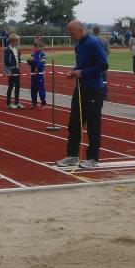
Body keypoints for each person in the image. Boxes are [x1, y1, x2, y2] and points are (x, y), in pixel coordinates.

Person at [56, 21, 108, 169]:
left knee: (93, 126)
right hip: (80, 89)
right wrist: (74, 71)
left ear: (80, 30)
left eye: (72, 33)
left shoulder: (94, 43)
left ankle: (93, 158)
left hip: (94, 90)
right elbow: (81, 64)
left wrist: (83, 73)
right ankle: (72, 155)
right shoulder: (78, 45)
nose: (70, 36)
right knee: (74, 123)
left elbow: (103, 65)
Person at [4, 33, 23, 109]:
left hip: (17, 70)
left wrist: (20, 63)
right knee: (11, 86)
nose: (18, 43)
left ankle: (17, 102)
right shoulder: (7, 50)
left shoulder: (17, 49)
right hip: (11, 70)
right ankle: (8, 104)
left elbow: (19, 57)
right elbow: (6, 62)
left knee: (18, 86)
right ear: (12, 42)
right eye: (17, 41)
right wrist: (14, 66)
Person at [92, 25, 111, 99]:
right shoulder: (104, 40)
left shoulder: (90, 39)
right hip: (103, 63)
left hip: (93, 63)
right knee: (103, 79)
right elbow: (108, 51)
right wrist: (103, 56)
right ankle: (104, 95)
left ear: (93, 31)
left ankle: (94, 95)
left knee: (92, 79)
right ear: (99, 31)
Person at [27, 41, 48, 108]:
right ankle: (34, 103)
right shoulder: (33, 54)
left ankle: (43, 103)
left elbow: (41, 64)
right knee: (33, 90)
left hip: (39, 75)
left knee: (41, 89)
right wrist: (29, 61)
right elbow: (30, 64)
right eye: (35, 47)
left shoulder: (43, 55)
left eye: (38, 47)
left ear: (41, 47)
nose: (36, 48)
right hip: (33, 75)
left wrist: (34, 61)